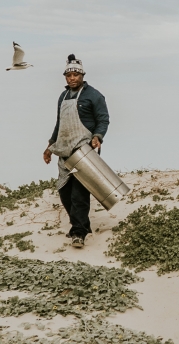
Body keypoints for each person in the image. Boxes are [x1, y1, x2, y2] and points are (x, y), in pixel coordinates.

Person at [43, 54, 110, 248]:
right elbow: (60, 124)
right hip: (64, 151)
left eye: (75, 75)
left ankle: (78, 233)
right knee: (64, 192)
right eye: (69, 75)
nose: (72, 78)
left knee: (79, 194)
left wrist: (98, 136)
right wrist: (49, 146)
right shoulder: (62, 97)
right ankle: (82, 226)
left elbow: (103, 119)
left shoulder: (94, 95)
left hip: (84, 151)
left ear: (82, 75)